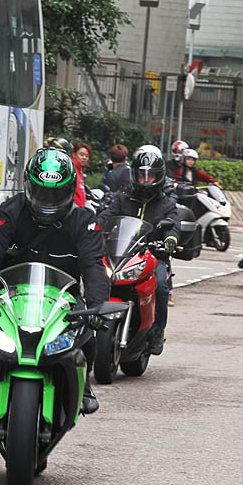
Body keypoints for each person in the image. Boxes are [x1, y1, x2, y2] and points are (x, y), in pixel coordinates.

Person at [0, 147, 110, 414]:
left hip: (64, 297)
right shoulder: (10, 211)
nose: (48, 200)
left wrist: (98, 308)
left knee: (87, 332)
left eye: (56, 193)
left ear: (70, 190)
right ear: (28, 187)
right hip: (11, 293)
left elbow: (94, 266)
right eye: (41, 192)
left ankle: (84, 382)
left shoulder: (84, 220)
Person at [98, 144, 178, 355]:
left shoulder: (167, 203)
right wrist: (95, 228)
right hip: (121, 254)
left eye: (150, 176)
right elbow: (107, 216)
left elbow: (174, 223)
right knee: (94, 275)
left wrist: (170, 238)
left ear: (158, 177)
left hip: (153, 255)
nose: (145, 181)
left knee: (161, 286)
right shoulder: (123, 198)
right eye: (141, 176)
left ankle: (156, 331)